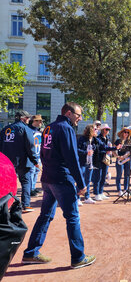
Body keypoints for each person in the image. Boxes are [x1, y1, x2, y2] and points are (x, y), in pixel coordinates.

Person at [22, 102, 95, 269]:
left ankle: (31, 253)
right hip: (62, 179)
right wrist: (82, 183)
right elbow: (72, 157)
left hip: (48, 178)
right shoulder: (66, 128)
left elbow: (41, 151)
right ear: (69, 113)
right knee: (72, 217)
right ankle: (78, 257)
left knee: (45, 216)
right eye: (78, 115)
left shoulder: (49, 127)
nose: (80, 118)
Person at [0, 110, 39, 212]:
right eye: (27, 118)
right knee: (26, 182)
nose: (29, 120)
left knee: (6, 184)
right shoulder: (26, 129)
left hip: (6, 162)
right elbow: (30, 147)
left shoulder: (5, 129)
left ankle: (4, 206)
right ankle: (25, 205)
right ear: (23, 118)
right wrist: (35, 161)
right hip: (22, 161)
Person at [92, 124, 117, 200]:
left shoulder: (107, 138)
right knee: (97, 177)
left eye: (108, 130)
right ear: (102, 130)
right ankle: (96, 194)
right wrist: (114, 148)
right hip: (98, 159)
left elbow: (106, 147)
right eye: (106, 129)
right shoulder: (97, 138)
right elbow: (103, 147)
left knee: (103, 177)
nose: (108, 131)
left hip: (105, 159)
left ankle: (101, 192)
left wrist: (110, 149)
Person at [77, 124, 99, 204]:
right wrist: (86, 152)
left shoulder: (94, 140)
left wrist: (115, 148)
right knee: (81, 180)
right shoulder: (82, 139)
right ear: (91, 130)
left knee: (88, 180)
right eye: (95, 129)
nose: (97, 130)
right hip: (82, 163)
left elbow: (102, 146)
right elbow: (77, 149)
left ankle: (87, 197)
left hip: (90, 163)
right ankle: (77, 198)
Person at [114, 127, 131, 196]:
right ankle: (119, 190)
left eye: (127, 132)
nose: (126, 134)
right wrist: (118, 156)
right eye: (125, 132)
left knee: (127, 175)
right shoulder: (118, 141)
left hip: (128, 160)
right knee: (119, 175)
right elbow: (113, 150)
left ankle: (126, 189)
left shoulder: (130, 142)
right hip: (120, 159)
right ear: (122, 133)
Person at [28, 114, 43, 197]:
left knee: (36, 172)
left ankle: (33, 188)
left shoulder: (39, 132)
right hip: (32, 156)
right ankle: (30, 189)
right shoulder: (29, 131)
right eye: (39, 121)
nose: (41, 122)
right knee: (31, 172)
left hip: (38, 155)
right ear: (34, 121)